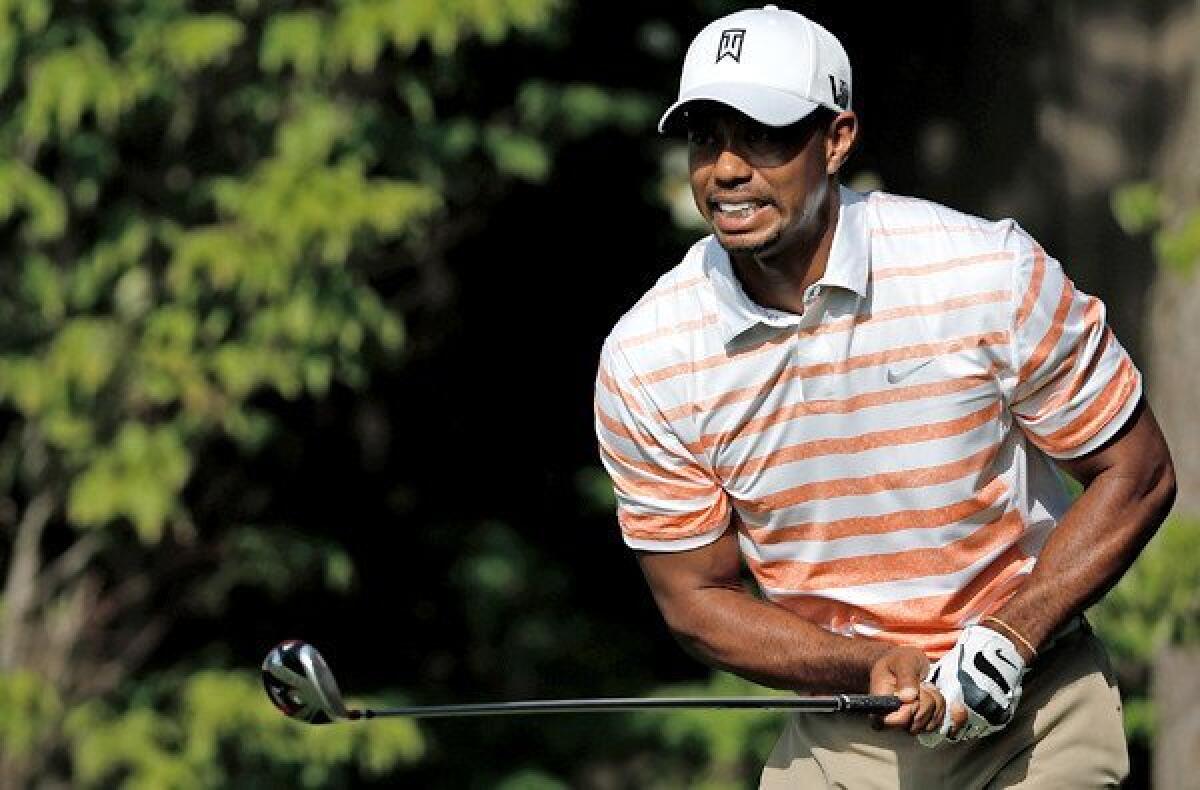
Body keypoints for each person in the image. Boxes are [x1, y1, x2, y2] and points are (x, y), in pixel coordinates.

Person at [592, 5, 1176, 788]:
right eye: (705, 136)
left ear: (837, 140)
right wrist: (870, 662)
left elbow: (1137, 473)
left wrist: (1009, 636)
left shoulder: (986, 275)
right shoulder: (650, 357)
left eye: (763, 135)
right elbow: (696, 599)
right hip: (844, 728)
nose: (726, 169)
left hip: (1039, 715)